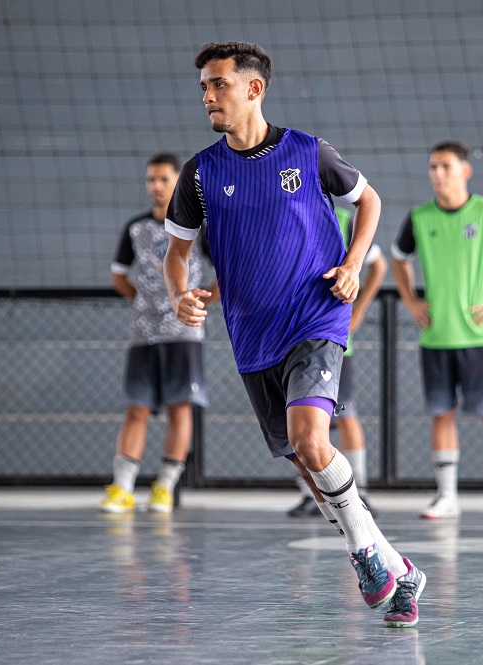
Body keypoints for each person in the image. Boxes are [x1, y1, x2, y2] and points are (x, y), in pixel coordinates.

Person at [163, 41, 425, 628]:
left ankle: (363, 557)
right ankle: (397, 568)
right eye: (203, 87)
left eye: (218, 85)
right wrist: (181, 290)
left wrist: (354, 263)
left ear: (253, 89)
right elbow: (177, 253)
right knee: (308, 465)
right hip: (254, 333)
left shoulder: (307, 152)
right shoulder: (200, 173)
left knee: (311, 438)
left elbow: (370, 201)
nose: (208, 96)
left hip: (317, 313)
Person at [391, 141, 483, 521]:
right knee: (442, 414)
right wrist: (411, 300)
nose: (438, 174)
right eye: (433, 167)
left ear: (465, 171)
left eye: (446, 167)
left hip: (479, 336)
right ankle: (447, 496)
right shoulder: (419, 218)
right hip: (437, 335)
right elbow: (398, 258)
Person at [99, 153, 218, 514]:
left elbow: (226, 274)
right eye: (151, 180)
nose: (156, 186)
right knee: (136, 409)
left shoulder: (199, 227)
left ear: (178, 180)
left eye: (164, 179)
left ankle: (164, 488)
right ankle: (123, 487)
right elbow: (119, 277)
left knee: (180, 410)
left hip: (184, 334)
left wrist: (199, 303)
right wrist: (144, 303)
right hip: (144, 334)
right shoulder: (136, 229)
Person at [288, 205, 388, 518]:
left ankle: (361, 492)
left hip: (331, 343)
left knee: (344, 414)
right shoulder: (285, 213)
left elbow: (379, 265)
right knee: (300, 421)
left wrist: (356, 312)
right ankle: (311, 494)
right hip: (290, 340)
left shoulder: (345, 219)